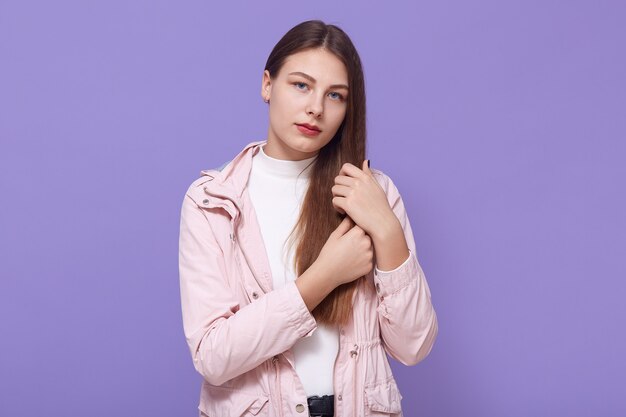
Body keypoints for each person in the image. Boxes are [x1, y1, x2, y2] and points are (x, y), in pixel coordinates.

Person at [178, 19, 438, 417]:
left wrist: (386, 228)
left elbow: (414, 346)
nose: (316, 107)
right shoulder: (213, 202)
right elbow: (213, 356)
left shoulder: (374, 193)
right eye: (301, 85)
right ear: (268, 85)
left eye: (335, 95)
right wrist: (323, 277)